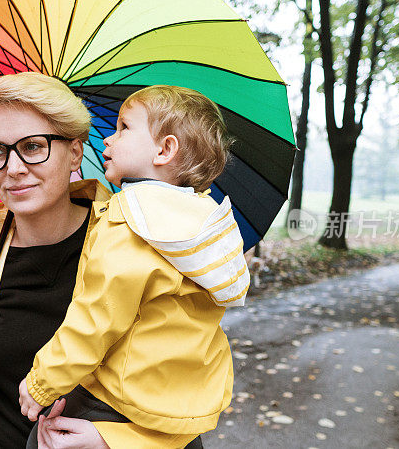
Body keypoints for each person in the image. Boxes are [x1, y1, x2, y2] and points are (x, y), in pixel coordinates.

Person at [0, 73, 201, 448]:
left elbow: (187, 379)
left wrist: (114, 441)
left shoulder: (143, 240)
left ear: (74, 152)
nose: (13, 168)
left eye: (32, 146)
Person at [18, 85, 251, 448]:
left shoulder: (132, 221)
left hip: (118, 397)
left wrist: (41, 382)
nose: (108, 139)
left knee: (41, 439)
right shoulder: (206, 225)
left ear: (165, 149)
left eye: (124, 128)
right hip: (179, 407)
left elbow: (96, 318)